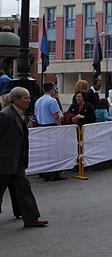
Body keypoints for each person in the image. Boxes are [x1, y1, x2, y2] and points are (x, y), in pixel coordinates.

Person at [0, 87, 49, 227]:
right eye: (26, 98)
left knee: (24, 188)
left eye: (28, 98)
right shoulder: (6, 115)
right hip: (4, 162)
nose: (29, 101)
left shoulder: (20, 114)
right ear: (15, 100)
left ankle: (31, 218)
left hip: (17, 162)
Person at [34, 82, 65, 182]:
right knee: (53, 151)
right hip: (51, 127)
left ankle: (44, 173)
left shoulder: (38, 101)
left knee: (45, 152)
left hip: (42, 126)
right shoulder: (52, 101)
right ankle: (54, 173)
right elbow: (56, 115)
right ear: (52, 89)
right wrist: (59, 126)